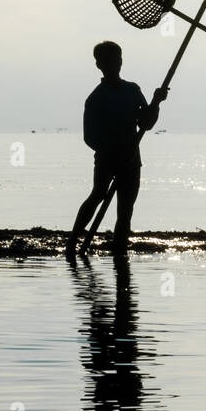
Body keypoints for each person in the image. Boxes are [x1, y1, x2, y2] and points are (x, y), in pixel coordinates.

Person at [67, 41, 168, 256]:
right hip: (107, 159)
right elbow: (89, 137)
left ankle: (119, 249)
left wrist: (156, 102)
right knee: (98, 195)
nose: (114, 63)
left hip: (132, 159)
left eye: (117, 59)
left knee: (126, 208)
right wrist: (112, 152)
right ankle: (73, 241)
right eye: (108, 60)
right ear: (99, 65)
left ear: (121, 61)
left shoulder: (132, 91)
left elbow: (146, 124)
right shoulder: (95, 99)